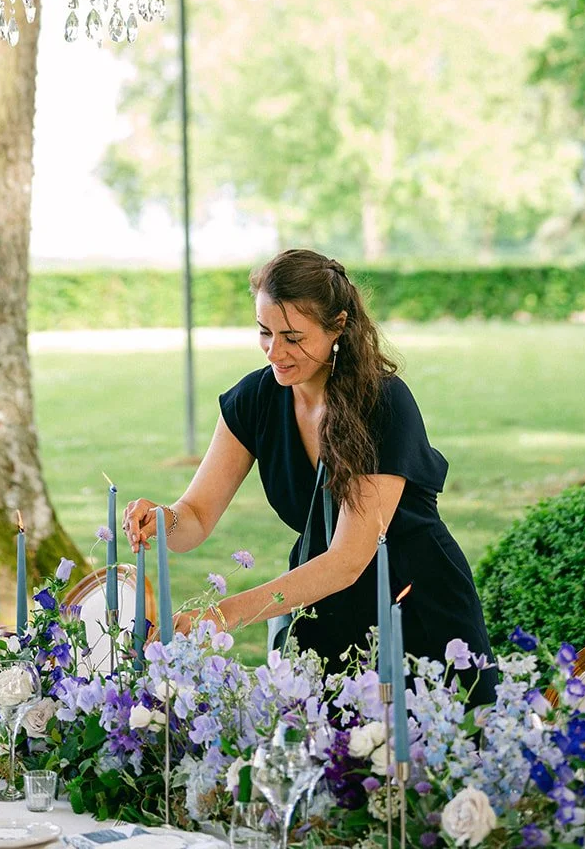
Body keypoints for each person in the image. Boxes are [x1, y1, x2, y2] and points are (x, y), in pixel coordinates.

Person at [123, 248, 497, 699]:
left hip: (414, 612)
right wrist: (162, 521)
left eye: (294, 337)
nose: (275, 352)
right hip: (318, 612)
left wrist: (221, 617)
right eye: (265, 332)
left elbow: (347, 560)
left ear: (338, 326)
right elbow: (197, 516)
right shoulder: (255, 399)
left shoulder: (382, 404)